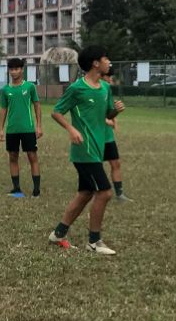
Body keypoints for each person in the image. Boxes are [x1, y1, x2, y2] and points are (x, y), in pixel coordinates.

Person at [48, 45, 125, 254]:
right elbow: (56, 112)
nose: (109, 62)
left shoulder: (105, 88)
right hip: (84, 150)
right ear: (95, 63)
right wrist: (71, 129)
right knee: (105, 192)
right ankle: (94, 241)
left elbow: (106, 116)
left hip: (97, 148)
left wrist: (115, 112)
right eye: (106, 58)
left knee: (85, 193)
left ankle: (58, 234)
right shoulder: (77, 88)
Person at [0, 58, 42, 197]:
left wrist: (39, 126)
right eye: (11, 69)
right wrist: (0, 129)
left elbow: (37, 105)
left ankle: (36, 190)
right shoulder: (5, 90)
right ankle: (17, 189)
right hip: (12, 130)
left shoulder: (29, 87)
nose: (14, 72)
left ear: (22, 70)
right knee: (13, 156)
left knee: (32, 156)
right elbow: (3, 109)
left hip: (28, 129)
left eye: (16, 69)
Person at [101, 67, 132, 203]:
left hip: (108, 137)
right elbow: (90, 114)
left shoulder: (107, 91)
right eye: (109, 77)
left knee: (115, 163)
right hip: (94, 136)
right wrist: (107, 121)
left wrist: (114, 117)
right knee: (94, 165)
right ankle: (91, 190)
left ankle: (119, 194)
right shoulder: (91, 91)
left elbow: (109, 111)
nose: (110, 80)